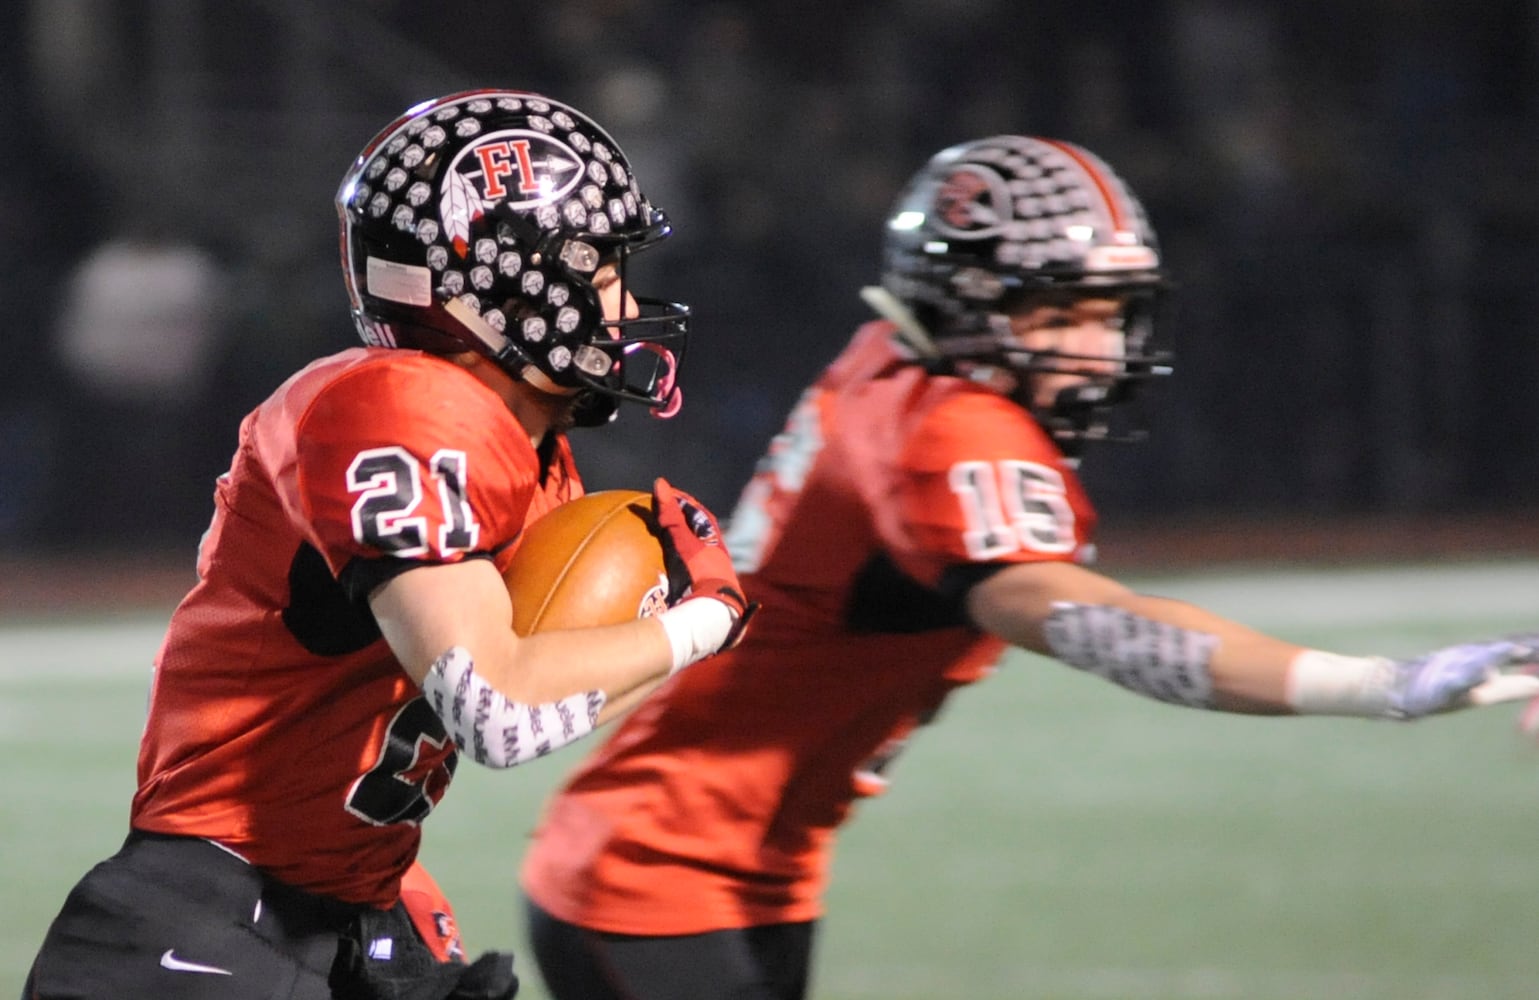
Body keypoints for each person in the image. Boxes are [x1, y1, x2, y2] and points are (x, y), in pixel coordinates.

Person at [517, 134, 1539, 1000]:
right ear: (964, 305)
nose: (1095, 349)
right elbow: (1067, 611)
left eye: (1107, 311)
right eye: (1057, 312)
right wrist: (1377, 684)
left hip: (734, 867)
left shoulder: (895, 358)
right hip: (655, 879)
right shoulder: (948, 430)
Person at [23, 89, 751, 1000]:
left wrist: (388, 893)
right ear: (511, 282)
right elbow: (501, 709)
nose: (625, 303)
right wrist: (704, 620)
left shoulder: (531, 457)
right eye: (601, 269)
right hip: (203, 927)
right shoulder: (399, 410)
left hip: (334, 907)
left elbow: (531, 694)